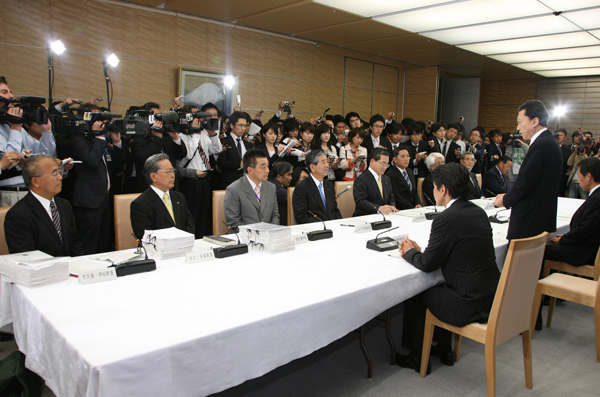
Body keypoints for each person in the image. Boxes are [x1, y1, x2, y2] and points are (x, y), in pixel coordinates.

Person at [396, 163, 500, 372]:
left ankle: (418, 358)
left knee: (416, 294)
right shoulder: (477, 212)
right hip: (489, 296)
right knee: (440, 289)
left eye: (434, 188)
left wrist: (409, 252)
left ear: (443, 189)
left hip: (466, 304)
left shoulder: (445, 218)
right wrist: (421, 252)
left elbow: (427, 264)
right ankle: (445, 351)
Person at [494, 100, 562, 240]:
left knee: (520, 261)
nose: (518, 128)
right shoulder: (550, 143)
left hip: (530, 220)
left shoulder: (541, 145)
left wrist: (506, 199)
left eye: (520, 122)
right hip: (542, 216)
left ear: (534, 121)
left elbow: (526, 182)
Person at [4, 154, 82, 257]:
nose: (60, 177)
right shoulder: (18, 214)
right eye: (54, 173)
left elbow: (75, 242)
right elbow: (25, 256)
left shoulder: (64, 205)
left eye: (59, 172)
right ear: (36, 181)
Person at [0, 76, 57, 205]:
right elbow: (9, 161)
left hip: (30, 190)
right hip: (10, 192)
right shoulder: (14, 128)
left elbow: (45, 154)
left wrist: (46, 131)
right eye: (4, 92)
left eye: (10, 92)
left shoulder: (17, 129)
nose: (11, 96)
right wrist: (15, 127)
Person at [71, 120, 124, 254]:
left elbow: (119, 164)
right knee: (89, 242)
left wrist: (116, 142)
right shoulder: (79, 141)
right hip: (89, 199)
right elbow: (92, 161)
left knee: (103, 242)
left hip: (104, 197)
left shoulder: (101, 142)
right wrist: (99, 138)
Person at [545, 157, 600, 266]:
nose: (579, 181)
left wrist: (564, 239)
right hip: (585, 245)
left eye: (579, 177)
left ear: (588, 176)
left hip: (585, 252)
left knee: (541, 252)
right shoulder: (596, 195)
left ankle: (548, 282)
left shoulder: (597, 199)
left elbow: (585, 228)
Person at [130, 154, 195, 240]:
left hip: (183, 247)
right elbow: (146, 237)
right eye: (168, 171)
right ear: (153, 176)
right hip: (158, 250)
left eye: (173, 171)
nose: (172, 175)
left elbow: (189, 224)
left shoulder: (179, 197)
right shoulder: (140, 204)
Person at [223, 149, 279, 232]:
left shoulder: (271, 187)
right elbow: (234, 222)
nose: (267, 170)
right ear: (250, 170)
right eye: (263, 167)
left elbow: (275, 216)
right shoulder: (233, 189)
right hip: (244, 238)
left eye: (268, 166)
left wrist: (270, 232)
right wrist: (256, 236)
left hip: (269, 236)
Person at [293, 150, 342, 224]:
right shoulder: (302, 188)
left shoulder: (329, 185)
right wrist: (323, 225)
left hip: (332, 227)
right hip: (315, 229)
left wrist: (340, 224)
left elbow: (334, 210)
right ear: (312, 167)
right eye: (323, 162)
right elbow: (301, 217)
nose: (327, 165)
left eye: (327, 161)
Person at [352, 147, 398, 216]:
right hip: (366, 217)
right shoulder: (362, 179)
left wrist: (391, 206)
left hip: (384, 216)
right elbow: (361, 201)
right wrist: (378, 208)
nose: (385, 167)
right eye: (383, 163)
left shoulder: (386, 178)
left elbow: (391, 197)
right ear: (372, 161)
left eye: (387, 164)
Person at [217, 111, 254, 189]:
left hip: (245, 184)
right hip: (229, 183)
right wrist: (239, 164)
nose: (243, 128)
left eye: (245, 125)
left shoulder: (247, 144)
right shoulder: (223, 141)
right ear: (231, 125)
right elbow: (221, 164)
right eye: (240, 125)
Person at [267, 161, 293, 226]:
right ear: (279, 176)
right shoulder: (279, 190)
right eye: (288, 175)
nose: (291, 178)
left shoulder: (271, 183)